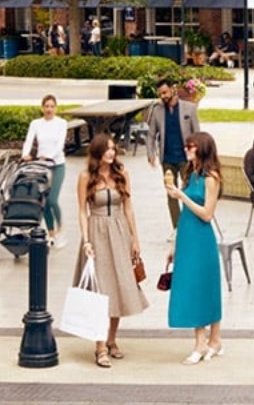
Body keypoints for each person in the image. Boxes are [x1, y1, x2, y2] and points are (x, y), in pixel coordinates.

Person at [74, 134, 148, 368]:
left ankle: (111, 339)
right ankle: (99, 346)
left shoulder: (121, 174)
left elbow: (128, 207)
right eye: (107, 149)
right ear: (97, 151)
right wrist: (86, 241)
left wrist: (135, 239)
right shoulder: (86, 177)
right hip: (96, 233)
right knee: (100, 291)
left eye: (113, 149)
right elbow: (82, 211)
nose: (111, 153)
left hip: (119, 232)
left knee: (118, 287)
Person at [166, 132, 223, 365]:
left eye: (192, 146)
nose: (187, 149)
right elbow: (185, 215)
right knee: (190, 287)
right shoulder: (191, 175)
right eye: (187, 146)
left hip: (202, 239)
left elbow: (207, 214)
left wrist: (181, 196)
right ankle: (205, 341)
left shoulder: (211, 178)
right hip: (187, 237)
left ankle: (209, 341)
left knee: (204, 288)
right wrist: (174, 242)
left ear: (203, 149)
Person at [147, 77, 200, 230]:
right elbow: (151, 135)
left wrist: (197, 155)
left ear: (172, 89)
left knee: (189, 192)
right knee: (171, 194)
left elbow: (197, 133)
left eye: (165, 92)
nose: (163, 96)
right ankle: (177, 227)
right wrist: (151, 154)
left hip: (186, 159)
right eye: (160, 94)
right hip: (167, 159)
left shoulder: (189, 108)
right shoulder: (157, 111)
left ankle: (191, 224)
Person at [22, 94, 69, 247]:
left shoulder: (61, 123)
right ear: (42, 108)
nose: (49, 109)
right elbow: (29, 140)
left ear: (56, 108)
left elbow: (60, 145)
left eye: (52, 106)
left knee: (52, 199)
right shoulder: (36, 123)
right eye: (46, 106)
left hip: (57, 164)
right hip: (41, 167)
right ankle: (51, 234)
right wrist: (25, 154)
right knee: (44, 202)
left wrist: (48, 156)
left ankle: (61, 228)